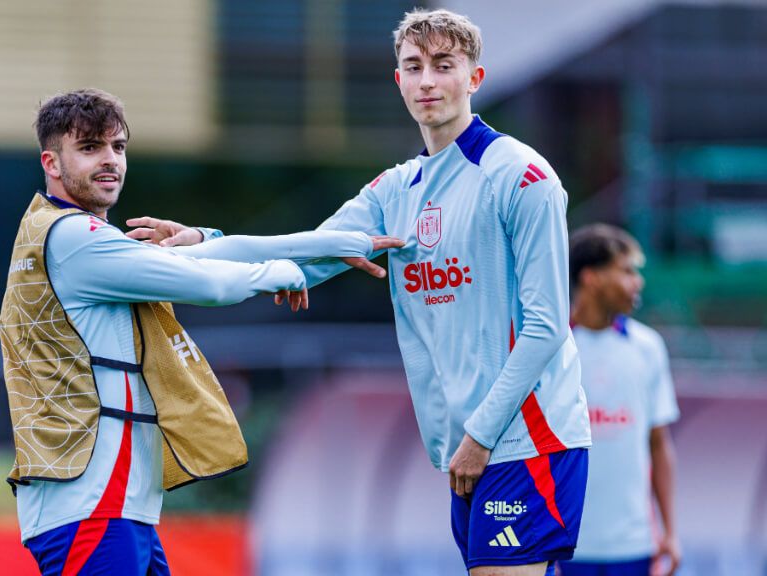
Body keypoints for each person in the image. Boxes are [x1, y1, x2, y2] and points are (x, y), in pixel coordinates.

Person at [134, 9, 592, 575]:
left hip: (526, 435)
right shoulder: (394, 189)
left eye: (444, 66)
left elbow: (549, 326)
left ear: (475, 78)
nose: (428, 81)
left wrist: (479, 435)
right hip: (468, 446)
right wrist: (200, 243)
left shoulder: (522, 177)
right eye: (414, 67)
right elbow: (303, 254)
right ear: (397, 81)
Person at [0, 88, 401, 575]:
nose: (110, 161)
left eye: (118, 147)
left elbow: (203, 257)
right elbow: (210, 284)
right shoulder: (73, 239)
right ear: (51, 162)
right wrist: (289, 272)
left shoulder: (74, 234)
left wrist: (335, 244)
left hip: (114, 502)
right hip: (91, 502)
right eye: (89, 148)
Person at [558, 224, 681, 576]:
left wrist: (670, 532)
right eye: (627, 271)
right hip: (564, 542)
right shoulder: (550, 348)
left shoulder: (648, 347)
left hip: (635, 544)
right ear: (591, 277)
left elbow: (659, 444)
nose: (637, 282)